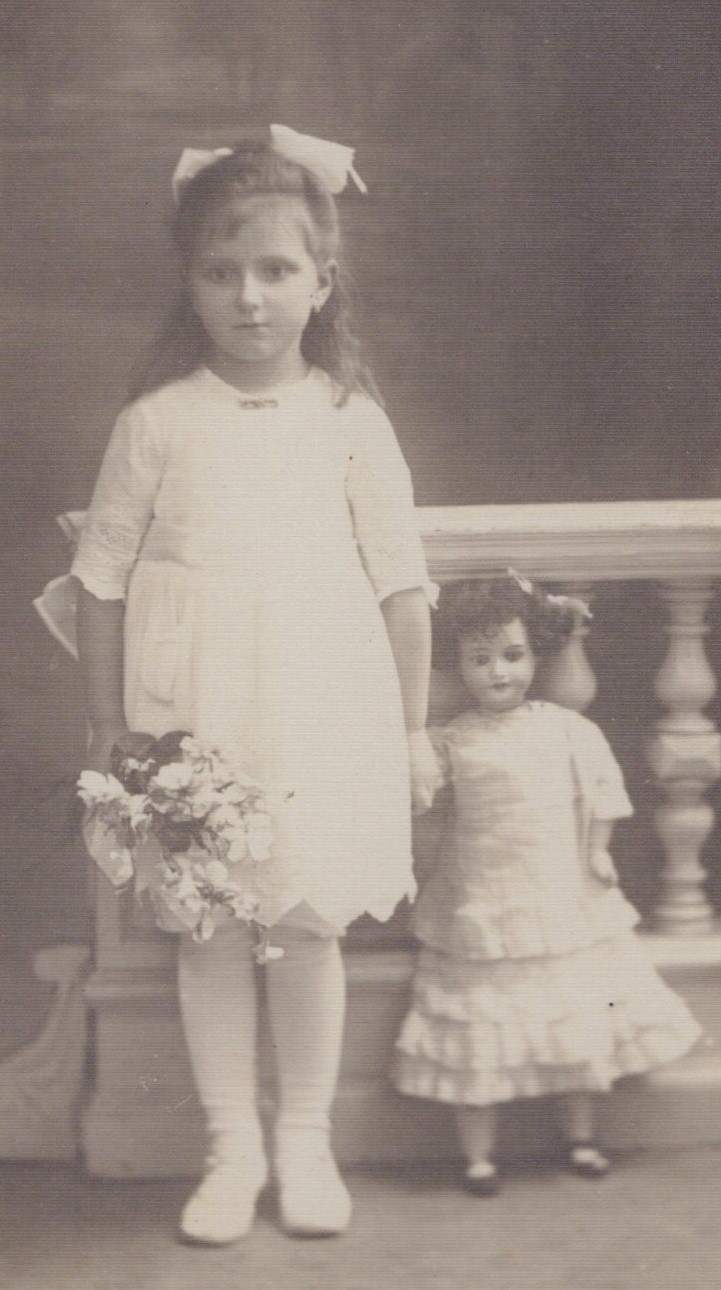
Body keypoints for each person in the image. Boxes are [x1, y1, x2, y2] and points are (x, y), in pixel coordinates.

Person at [43, 126, 439, 1244]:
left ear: (321, 281)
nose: (250, 298)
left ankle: (305, 1140)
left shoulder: (350, 420)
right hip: (194, 712)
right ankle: (232, 1148)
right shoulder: (157, 423)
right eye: (222, 272)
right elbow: (102, 582)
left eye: (275, 270)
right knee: (209, 928)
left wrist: (412, 732)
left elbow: (401, 587)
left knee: (304, 926)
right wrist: (110, 724)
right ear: (191, 281)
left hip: (320, 706)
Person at [392, 573, 700, 1195]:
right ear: (459, 666)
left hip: (557, 891)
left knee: (570, 1014)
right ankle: (479, 1156)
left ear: (536, 656)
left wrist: (598, 850)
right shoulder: (455, 741)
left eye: (512, 655)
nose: (498, 672)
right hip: (480, 899)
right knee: (479, 1023)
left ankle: (580, 1137)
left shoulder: (566, 730)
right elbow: (424, 804)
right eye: (480, 659)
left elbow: (602, 791)